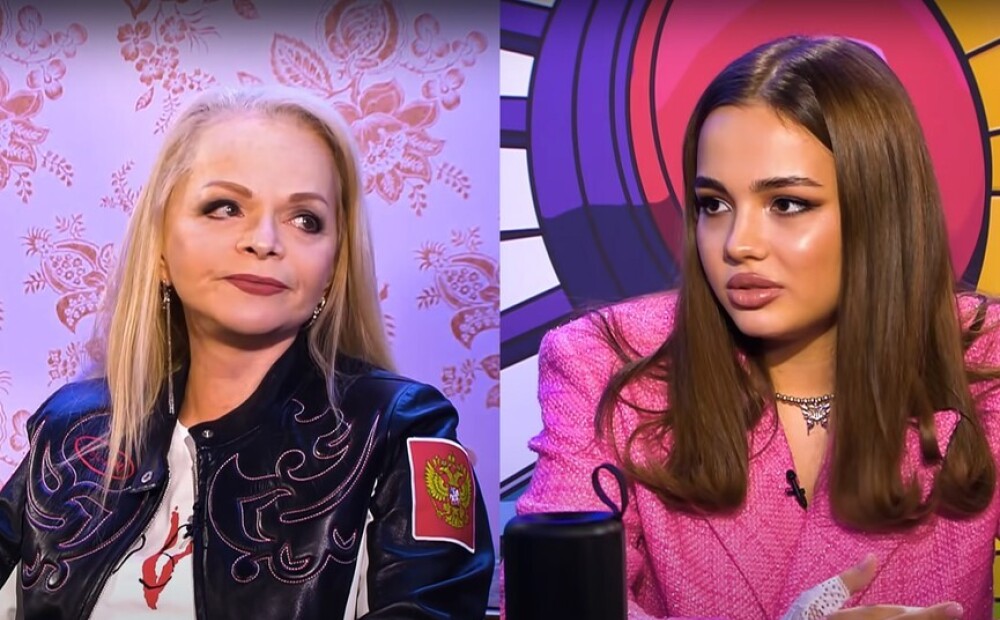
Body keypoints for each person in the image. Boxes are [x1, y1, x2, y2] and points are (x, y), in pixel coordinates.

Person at [513, 35, 1000, 619]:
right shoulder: (602, 361)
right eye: (714, 205)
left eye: (787, 204)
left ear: (880, 209)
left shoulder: (985, 359)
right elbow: (554, 600)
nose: (738, 244)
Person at [0, 85, 494, 618]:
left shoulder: (404, 431)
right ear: (161, 249)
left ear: (333, 267)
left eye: (305, 219)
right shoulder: (68, 428)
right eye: (225, 207)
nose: (263, 240)